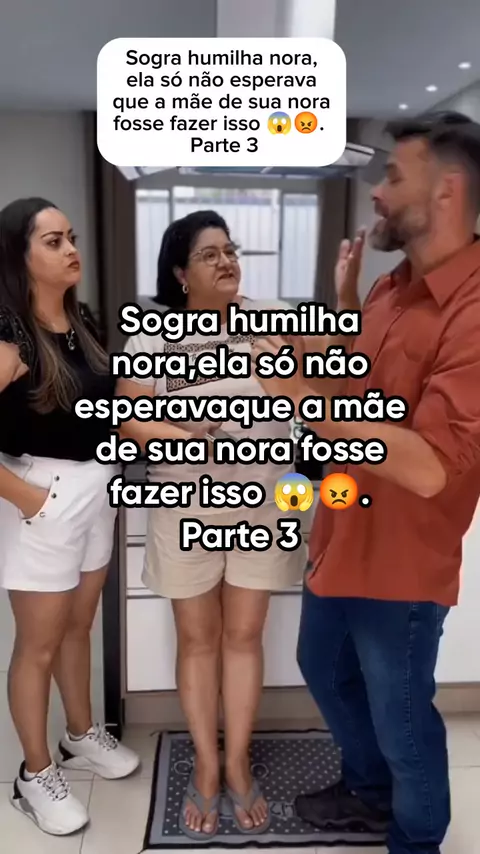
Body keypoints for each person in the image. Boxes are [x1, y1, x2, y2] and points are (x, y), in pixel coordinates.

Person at [252, 111, 480, 854]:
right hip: (342, 529)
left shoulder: (473, 309)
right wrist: (324, 326)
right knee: (322, 667)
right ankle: (369, 792)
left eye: (392, 175)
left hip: (403, 563)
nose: (376, 191)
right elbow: (359, 373)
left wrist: (307, 400)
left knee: (402, 717)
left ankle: (415, 839)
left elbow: (431, 463)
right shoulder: (391, 286)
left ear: (446, 192)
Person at [117, 210, 306, 840]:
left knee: (244, 636)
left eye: (230, 250)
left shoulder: (273, 318)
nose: (226, 261)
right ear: (180, 272)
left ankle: (238, 761)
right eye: (209, 254)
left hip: (263, 502)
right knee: (198, 639)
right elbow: (131, 421)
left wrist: (286, 366)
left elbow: (313, 395)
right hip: (185, 504)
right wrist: (190, 434)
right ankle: (204, 762)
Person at [0, 197, 140, 837]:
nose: (71, 250)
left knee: (79, 624)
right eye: (53, 241)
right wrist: (29, 499)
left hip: (95, 488)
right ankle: (34, 775)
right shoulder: (11, 335)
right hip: (45, 497)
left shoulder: (80, 321)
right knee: (38, 644)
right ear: (20, 255)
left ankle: (81, 734)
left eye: (72, 237)